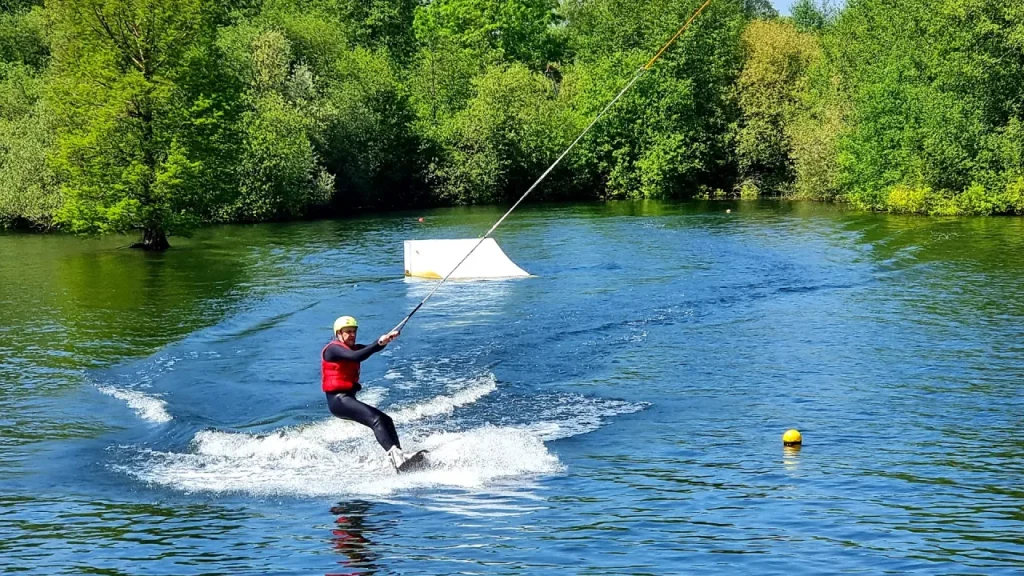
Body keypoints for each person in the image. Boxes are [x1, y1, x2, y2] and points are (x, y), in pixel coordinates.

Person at [321, 316, 405, 469]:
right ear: (338, 333)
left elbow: (368, 349)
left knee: (386, 420)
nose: (352, 335)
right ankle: (396, 459)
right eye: (348, 332)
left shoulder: (352, 348)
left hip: (346, 398)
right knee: (377, 420)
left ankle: (399, 457)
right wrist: (378, 343)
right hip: (338, 400)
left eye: (354, 331)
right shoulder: (333, 349)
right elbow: (356, 357)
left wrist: (387, 340)